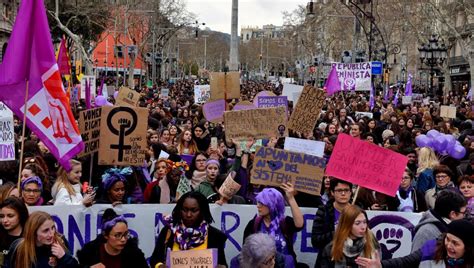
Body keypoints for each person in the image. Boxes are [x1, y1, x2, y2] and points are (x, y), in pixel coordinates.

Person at [149, 191, 227, 267]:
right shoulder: (169, 231)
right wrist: (159, 266)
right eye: (185, 210)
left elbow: (222, 263)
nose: (188, 215)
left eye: (194, 210)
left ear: (202, 211)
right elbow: (154, 260)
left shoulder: (215, 236)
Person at [355, 219, 474, 268]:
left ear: (468, 247)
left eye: (455, 243)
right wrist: (381, 265)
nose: (448, 245)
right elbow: (405, 261)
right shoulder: (432, 247)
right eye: (447, 239)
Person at [243, 184, 304, 266]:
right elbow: (246, 250)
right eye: (258, 202)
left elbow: (299, 224)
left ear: (272, 204)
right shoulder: (254, 224)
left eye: (262, 203)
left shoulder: (285, 222)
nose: (258, 206)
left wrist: (291, 198)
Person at [77, 208, 148, 268]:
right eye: (117, 235)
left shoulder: (134, 254)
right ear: (106, 235)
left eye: (126, 234)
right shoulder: (90, 252)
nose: (123, 239)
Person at [6, 211, 79, 268]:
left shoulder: (60, 242)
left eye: (53, 228)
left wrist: (64, 257)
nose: (51, 234)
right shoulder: (19, 247)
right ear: (33, 232)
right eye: (46, 230)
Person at [312, 179, 353, 267]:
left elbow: (365, 238)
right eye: (339, 190)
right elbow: (315, 241)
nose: (343, 194)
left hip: (352, 260)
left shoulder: (358, 213)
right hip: (328, 260)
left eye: (346, 190)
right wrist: (336, 232)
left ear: (351, 192)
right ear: (332, 193)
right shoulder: (323, 211)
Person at [0, 197, 29, 267]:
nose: (5, 220)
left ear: (21, 215)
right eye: (1, 216)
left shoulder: (30, 237)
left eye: (10, 216)